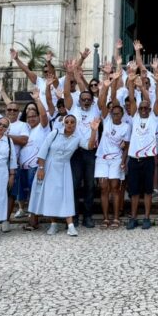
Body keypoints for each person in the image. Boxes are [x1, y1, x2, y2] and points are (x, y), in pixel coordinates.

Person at [28, 115, 98, 236]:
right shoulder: (54, 133)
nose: (70, 124)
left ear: (76, 124)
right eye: (67, 122)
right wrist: (40, 168)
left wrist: (93, 131)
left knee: (66, 196)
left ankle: (70, 226)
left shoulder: (77, 138)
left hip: (64, 168)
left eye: (72, 122)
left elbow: (89, 146)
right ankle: (53, 224)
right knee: (51, 196)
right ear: (63, 123)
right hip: (49, 167)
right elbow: (43, 150)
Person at [0, 77, 29, 233]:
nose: (11, 112)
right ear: (5, 111)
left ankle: (6, 219)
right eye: (9, 109)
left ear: (18, 112)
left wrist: (6, 136)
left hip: (12, 163)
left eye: (14, 110)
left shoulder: (22, 125)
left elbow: (24, 140)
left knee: (10, 193)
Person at [124, 64, 158, 230]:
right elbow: (132, 98)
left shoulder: (153, 118)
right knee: (134, 191)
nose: (144, 109)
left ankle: (146, 217)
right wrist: (133, 81)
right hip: (134, 158)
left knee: (148, 191)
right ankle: (133, 217)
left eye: (146, 108)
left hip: (148, 159)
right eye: (142, 108)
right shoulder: (134, 116)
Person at [64, 62, 100, 228]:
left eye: (88, 99)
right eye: (83, 99)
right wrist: (69, 74)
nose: (86, 101)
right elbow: (65, 92)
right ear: (79, 100)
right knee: (75, 184)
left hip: (91, 152)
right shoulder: (74, 109)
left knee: (90, 185)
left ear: (92, 101)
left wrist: (78, 76)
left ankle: (88, 216)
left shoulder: (96, 110)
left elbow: (99, 92)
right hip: (75, 152)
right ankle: (74, 216)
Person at [94, 76, 131, 228]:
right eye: (112, 113)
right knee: (103, 188)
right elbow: (102, 103)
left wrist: (123, 162)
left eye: (117, 113)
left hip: (116, 159)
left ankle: (116, 217)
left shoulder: (126, 127)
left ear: (121, 115)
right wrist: (107, 86)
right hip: (102, 158)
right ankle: (105, 218)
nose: (114, 115)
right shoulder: (107, 120)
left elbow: (127, 146)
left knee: (115, 188)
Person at [16, 89, 49, 231]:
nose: (31, 119)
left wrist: (37, 99)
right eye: (29, 117)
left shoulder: (43, 127)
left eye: (34, 116)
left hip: (35, 167)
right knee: (28, 194)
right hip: (23, 167)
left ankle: (33, 221)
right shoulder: (26, 129)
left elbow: (43, 114)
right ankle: (32, 219)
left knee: (34, 194)